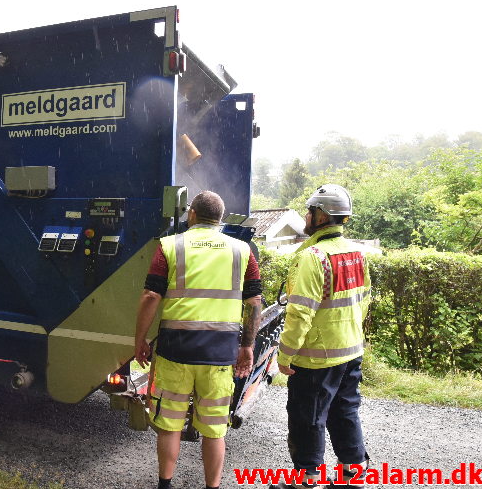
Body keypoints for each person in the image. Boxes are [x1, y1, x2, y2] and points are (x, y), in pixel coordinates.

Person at [134, 190, 263, 489]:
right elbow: (254, 302)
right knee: (215, 430)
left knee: (169, 425)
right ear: (219, 219)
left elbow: (151, 295)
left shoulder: (170, 246)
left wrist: (139, 340)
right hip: (220, 354)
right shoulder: (242, 251)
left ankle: (165, 484)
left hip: (175, 351)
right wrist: (247, 345)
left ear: (191, 213)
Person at [270, 184, 371, 489]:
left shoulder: (313, 257)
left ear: (321, 216)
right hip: (351, 350)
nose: (306, 215)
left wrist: (285, 356)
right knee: (345, 411)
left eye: (310, 210)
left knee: (308, 417)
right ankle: (353, 475)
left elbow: (300, 314)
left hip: (317, 357)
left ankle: (307, 480)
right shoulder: (357, 252)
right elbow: (364, 299)